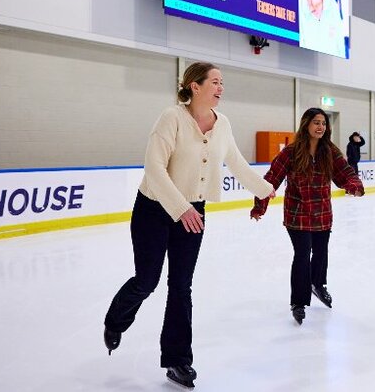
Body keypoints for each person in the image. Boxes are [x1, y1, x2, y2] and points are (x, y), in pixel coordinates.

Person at [103, 62, 274, 389]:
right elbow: (154, 168)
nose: (220, 87)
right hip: (154, 209)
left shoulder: (223, 124)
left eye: (222, 82)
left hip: (193, 210)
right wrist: (180, 209)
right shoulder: (172, 118)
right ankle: (116, 320)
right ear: (194, 86)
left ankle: (178, 360)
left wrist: (266, 189)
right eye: (215, 81)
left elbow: (236, 163)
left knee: (181, 286)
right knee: (147, 280)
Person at [250, 107, 364, 325]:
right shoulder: (291, 152)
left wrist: (354, 185)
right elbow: (272, 177)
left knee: (321, 251)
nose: (320, 126)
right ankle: (298, 301)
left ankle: (318, 284)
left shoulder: (330, 151)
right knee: (302, 254)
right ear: (306, 125)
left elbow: (345, 172)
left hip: (322, 213)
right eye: (316, 122)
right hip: (297, 214)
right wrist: (260, 205)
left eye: (323, 123)